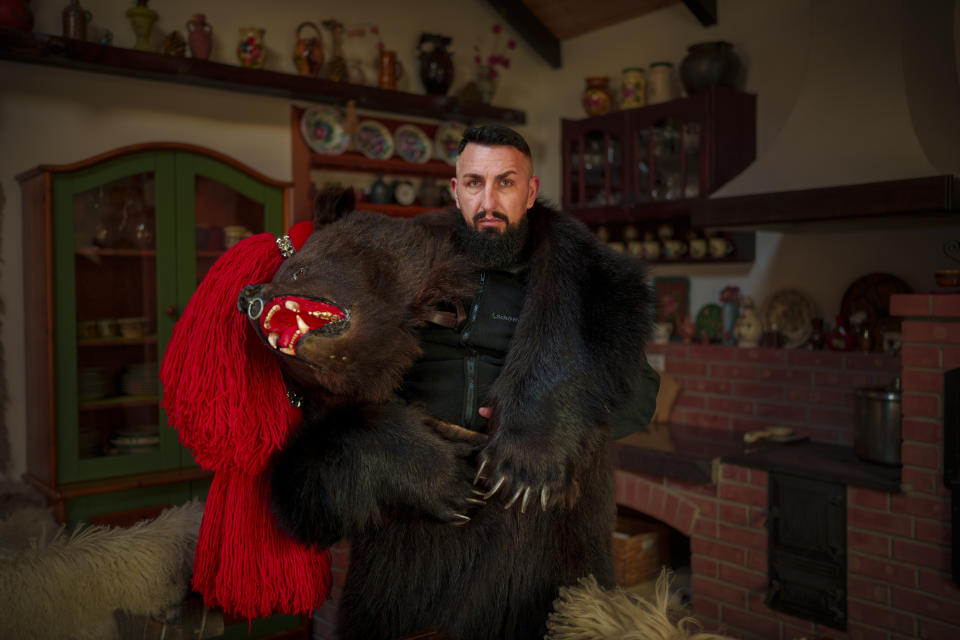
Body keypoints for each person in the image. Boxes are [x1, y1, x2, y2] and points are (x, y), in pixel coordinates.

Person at [400, 124, 659, 447]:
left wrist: (557, 425)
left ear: (531, 192)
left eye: (506, 183)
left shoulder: (579, 278)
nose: (488, 203)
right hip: (417, 466)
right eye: (474, 183)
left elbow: (640, 393)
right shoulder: (409, 263)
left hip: (521, 477)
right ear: (456, 191)